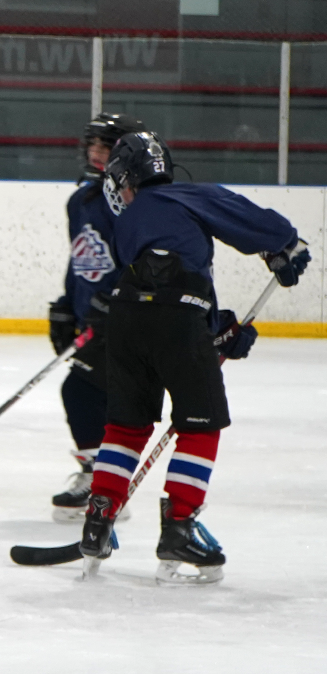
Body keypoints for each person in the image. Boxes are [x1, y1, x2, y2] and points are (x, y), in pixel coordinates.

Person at [78, 131, 311, 585]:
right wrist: (281, 246)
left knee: (126, 426)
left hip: (127, 321)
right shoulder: (185, 196)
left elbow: (161, 278)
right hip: (177, 320)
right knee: (200, 426)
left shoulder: (125, 223)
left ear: (128, 179)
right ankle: (179, 527)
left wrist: (217, 328)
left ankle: (97, 520)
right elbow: (262, 229)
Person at [45, 112, 144, 523]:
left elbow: (145, 257)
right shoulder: (82, 200)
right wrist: (70, 304)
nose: (97, 154)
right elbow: (81, 258)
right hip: (95, 318)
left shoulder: (132, 200)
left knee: (80, 392)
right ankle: (104, 482)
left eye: (107, 147)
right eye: (94, 146)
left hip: (127, 318)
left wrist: (122, 300)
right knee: (95, 396)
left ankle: (100, 484)